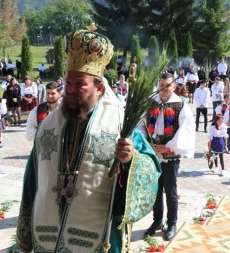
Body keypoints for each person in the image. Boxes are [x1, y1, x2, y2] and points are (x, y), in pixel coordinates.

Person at [15, 27, 161, 253]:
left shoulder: (121, 125)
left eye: (80, 84)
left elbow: (151, 168)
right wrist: (25, 230)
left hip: (97, 235)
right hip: (49, 234)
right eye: (68, 83)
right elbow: (32, 177)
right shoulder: (47, 126)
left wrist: (131, 160)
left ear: (99, 88)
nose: (71, 91)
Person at [142, 72, 195, 241]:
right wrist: (148, 144)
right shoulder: (151, 103)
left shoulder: (181, 105)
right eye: (161, 86)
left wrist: (167, 147)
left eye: (167, 86)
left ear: (174, 86)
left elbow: (185, 131)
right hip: (153, 152)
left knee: (170, 190)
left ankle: (172, 223)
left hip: (170, 154)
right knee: (155, 190)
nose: (164, 89)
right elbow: (142, 124)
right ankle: (157, 221)